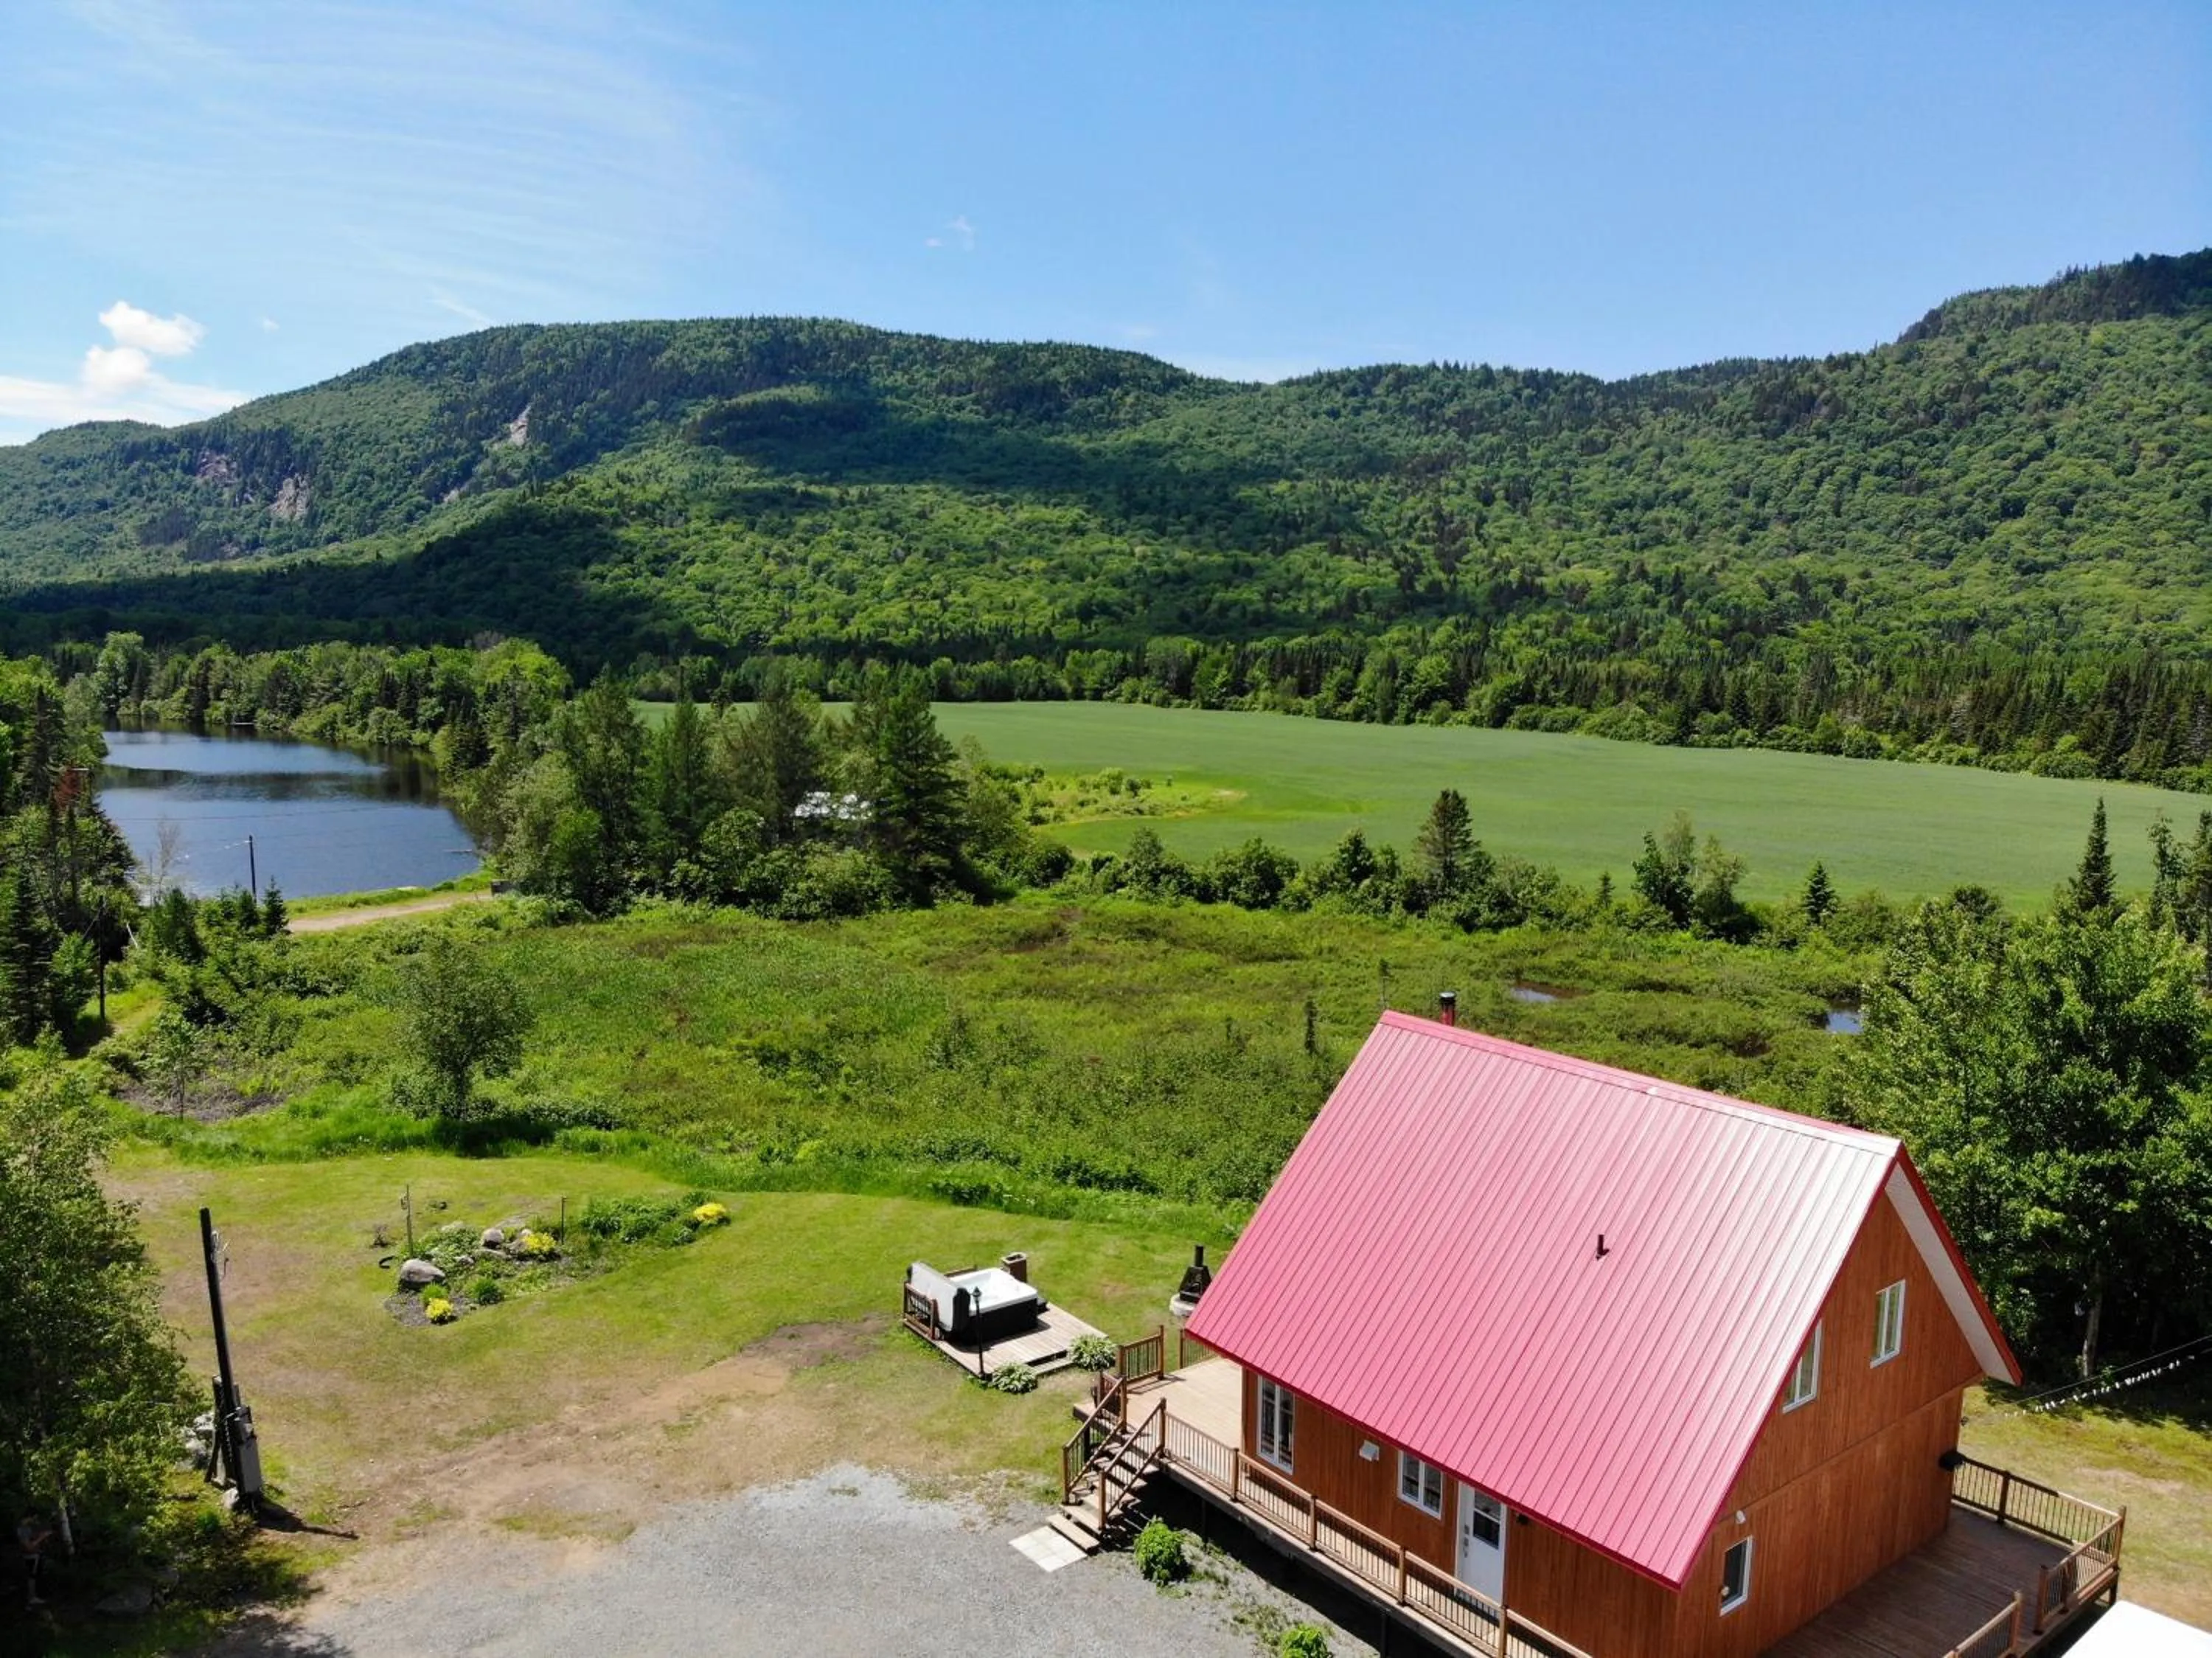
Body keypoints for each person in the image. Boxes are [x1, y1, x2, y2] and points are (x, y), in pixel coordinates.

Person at [17, 1510, 52, 1609]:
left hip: (31, 1555)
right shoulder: (23, 1529)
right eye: (34, 1518)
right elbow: (29, 1546)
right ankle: (31, 1599)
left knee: (32, 1577)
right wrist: (42, 1537)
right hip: (30, 1556)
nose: (34, 1521)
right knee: (31, 1577)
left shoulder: (24, 1528)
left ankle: (32, 1598)